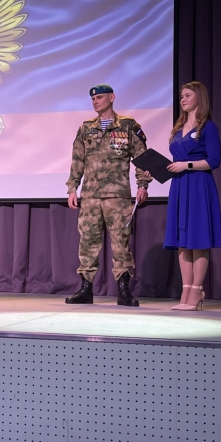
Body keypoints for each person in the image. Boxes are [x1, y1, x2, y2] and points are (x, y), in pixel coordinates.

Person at [65, 84, 151, 306]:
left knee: (121, 243)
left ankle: (123, 290)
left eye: (100, 98)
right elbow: (77, 160)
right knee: (88, 242)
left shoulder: (128, 125)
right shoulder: (86, 128)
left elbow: (142, 157)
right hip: (91, 196)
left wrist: (143, 185)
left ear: (112, 98)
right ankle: (86, 289)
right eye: (93, 99)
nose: (96, 102)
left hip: (117, 196)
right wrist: (72, 188)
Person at [164, 81, 221, 311]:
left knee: (198, 240)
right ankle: (186, 290)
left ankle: (197, 291)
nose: (183, 99)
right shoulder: (179, 127)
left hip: (199, 185)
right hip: (180, 185)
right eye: (181, 96)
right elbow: (176, 162)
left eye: (188, 95)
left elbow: (214, 160)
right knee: (183, 242)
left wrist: (186, 165)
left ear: (199, 97)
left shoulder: (208, 127)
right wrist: (160, 170)